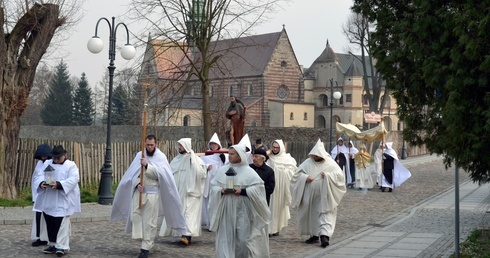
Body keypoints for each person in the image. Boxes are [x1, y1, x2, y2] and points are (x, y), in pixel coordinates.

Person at [110, 135, 186, 258]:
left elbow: (161, 175)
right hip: (139, 193)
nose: (149, 147)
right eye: (147, 145)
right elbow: (132, 175)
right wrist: (136, 184)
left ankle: (146, 247)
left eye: (152, 145)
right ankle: (144, 239)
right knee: (135, 216)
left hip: (152, 195)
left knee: (149, 222)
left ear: (156, 144)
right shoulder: (139, 155)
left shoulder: (161, 157)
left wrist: (147, 166)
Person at [208, 144, 271, 257]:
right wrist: (220, 191)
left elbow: (259, 189)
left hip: (243, 210)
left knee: (243, 240)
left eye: (232, 154)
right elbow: (213, 187)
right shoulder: (223, 170)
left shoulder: (249, 172)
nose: (229, 156)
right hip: (226, 209)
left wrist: (242, 191)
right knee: (225, 239)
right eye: (229, 154)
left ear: (240, 156)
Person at [291, 139, 346, 248]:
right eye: (314, 156)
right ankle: (314, 234)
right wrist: (305, 177)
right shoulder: (307, 163)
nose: (316, 158)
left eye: (318, 156)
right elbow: (296, 175)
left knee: (325, 213)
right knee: (312, 215)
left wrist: (328, 176)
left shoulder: (330, 163)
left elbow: (340, 176)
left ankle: (324, 236)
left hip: (325, 195)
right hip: (310, 196)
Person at [33, 145, 81, 257]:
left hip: (63, 199)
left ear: (64, 155)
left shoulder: (71, 165)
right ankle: (53, 244)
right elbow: (39, 176)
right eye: (54, 158)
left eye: (58, 158)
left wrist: (59, 184)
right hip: (49, 199)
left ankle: (62, 246)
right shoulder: (48, 163)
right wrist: (42, 183)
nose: (56, 160)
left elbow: (74, 179)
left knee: (61, 223)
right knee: (50, 223)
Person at [160, 138, 207, 246]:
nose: (179, 147)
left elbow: (202, 173)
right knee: (180, 212)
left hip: (191, 193)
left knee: (189, 214)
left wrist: (193, 163)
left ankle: (186, 235)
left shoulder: (195, 159)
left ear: (186, 146)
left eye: (181, 145)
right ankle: (182, 234)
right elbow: (169, 173)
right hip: (179, 192)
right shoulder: (176, 160)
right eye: (179, 145)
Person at [267, 139, 296, 237]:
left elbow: (292, 172)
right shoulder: (269, 158)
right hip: (271, 187)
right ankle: (270, 229)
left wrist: (282, 172)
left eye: (277, 147)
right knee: (270, 207)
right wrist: (267, 153)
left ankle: (276, 228)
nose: (275, 149)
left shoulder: (287, 159)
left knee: (279, 208)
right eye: (273, 147)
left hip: (281, 187)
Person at [200, 133, 228, 229]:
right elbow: (201, 165)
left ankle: (216, 221)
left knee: (217, 200)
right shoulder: (205, 154)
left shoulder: (222, 154)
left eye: (215, 144)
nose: (213, 146)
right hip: (208, 179)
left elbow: (225, 164)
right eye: (211, 144)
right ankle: (208, 221)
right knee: (208, 200)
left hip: (218, 180)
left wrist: (221, 156)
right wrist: (207, 167)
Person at [31, 143, 51, 247]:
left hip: (46, 193)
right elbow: (36, 177)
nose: (43, 157)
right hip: (38, 193)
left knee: (46, 216)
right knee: (38, 216)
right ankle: (39, 236)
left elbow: (49, 177)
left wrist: (45, 184)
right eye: (41, 156)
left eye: (45, 155)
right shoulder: (39, 164)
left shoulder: (50, 163)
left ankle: (46, 237)